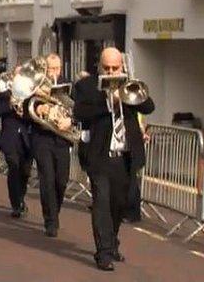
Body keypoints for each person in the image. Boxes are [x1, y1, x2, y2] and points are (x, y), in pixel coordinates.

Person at [73, 47, 154, 271]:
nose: (110, 72)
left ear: (122, 67)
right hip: (100, 157)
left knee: (119, 204)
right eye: (106, 68)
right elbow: (79, 112)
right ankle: (104, 253)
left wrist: (127, 95)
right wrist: (107, 101)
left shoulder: (130, 85)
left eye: (114, 68)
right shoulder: (87, 86)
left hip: (125, 157)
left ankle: (112, 240)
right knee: (101, 203)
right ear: (99, 66)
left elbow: (149, 106)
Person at [0, 65, 33, 218]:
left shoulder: (31, 91)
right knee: (14, 169)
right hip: (10, 138)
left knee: (25, 171)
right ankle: (16, 204)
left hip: (27, 137)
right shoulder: (2, 93)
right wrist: (10, 105)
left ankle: (20, 198)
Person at [29, 54, 73, 237]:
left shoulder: (68, 86)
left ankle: (55, 212)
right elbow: (24, 105)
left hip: (61, 138)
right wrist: (38, 109)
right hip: (43, 138)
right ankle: (51, 221)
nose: (54, 72)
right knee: (47, 179)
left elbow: (77, 108)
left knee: (61, 180)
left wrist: (70, 120)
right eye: (50, 69)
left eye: (57, 68)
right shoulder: (37, 84)